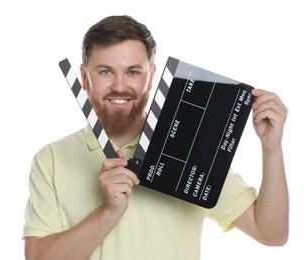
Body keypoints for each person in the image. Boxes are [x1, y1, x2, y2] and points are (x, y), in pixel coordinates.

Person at [22, 15, 289, 260]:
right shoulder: (52, 159)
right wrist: (108, 212)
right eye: (105, 71)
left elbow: (271, 234)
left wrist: (271, 147)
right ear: (84, 77)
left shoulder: (189, 147)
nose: (119, 86)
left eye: (133, 72)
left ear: (151, 78)